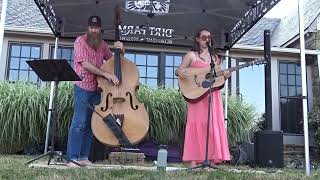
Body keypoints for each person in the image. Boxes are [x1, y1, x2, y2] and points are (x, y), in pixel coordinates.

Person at [66, 15, 125, 167]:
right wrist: (105, 74)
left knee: (90, 125)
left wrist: (121, 51)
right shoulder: (80, 41)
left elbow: (113, 62)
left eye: (96, 27)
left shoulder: (103, 44)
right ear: (88, 28)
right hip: (82, 87)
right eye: (91, 27)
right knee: (79, 123)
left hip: (97, 89)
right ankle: (73, 158)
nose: (93, 30)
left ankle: (84, 157)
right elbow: (85, 64)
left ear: (100, 29)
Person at [176, 28, 231, 168]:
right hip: (196, 95)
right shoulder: (191, 55)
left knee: (212, 126)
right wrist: (181, 72)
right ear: (198, 39)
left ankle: (212, 160)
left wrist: (224, 75)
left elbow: (217, 76)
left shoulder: (215, 58)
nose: (206, 39)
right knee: (197, 125)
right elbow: (178, 70)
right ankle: (194, 161)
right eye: (203, 37)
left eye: (209, 36)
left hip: (213, 95)